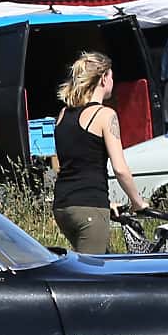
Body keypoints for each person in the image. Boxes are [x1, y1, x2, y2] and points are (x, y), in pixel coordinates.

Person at [50, 52, 147, 254]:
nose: (113, 81)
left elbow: (65, 164)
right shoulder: (105, 115)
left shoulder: (63, 114)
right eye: (111, 76)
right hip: (88, 209)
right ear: (103, 78)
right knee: (91, 276)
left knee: (105, 261)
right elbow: (120, 169)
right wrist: (138, 203)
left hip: (63, 206)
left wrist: (105, 202)